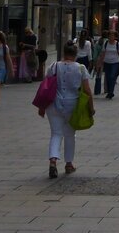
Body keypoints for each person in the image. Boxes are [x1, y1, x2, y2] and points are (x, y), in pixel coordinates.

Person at [39, 40, 94, 179]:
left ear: (64, 53)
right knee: (70, 135)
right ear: (75, 54)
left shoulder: (53, 66)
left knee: (56, 133)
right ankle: (69, 164)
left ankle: (53, 161)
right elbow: (87, 91)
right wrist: (91, 108)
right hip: (72, 105)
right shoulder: (81, 68)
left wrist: (42, 106)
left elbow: (45, 87)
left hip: (54, 105)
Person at [97, 30, 119, 99]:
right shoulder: (106, 43)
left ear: (115, 37)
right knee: (108, 77)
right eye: (110, 35)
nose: (111, 37)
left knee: (112, 76)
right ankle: (109, 91)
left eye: (112, 35)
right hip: (107, 62)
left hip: (115, 63)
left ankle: (111, 92)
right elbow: (102, 54)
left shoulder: (118, 44)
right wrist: (100, 63)